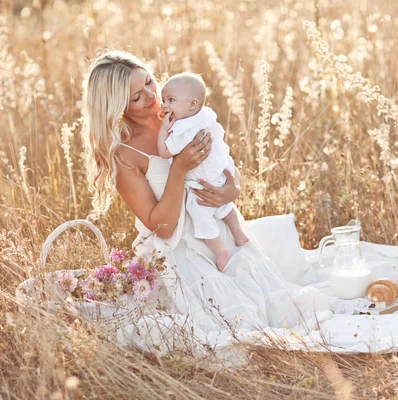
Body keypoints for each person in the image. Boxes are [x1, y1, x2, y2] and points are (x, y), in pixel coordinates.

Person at [81, 50, 330, 354]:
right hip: (179, 251)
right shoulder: (124, 154)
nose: (151, 96)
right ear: (116, 105)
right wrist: (179, 168)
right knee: (228, 326)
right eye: (136, 97)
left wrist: (232, 187)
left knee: (284, 312)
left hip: (218, 231)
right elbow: (162, 226)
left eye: (149, 82)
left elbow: (220, 160)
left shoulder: (181, 110)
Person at [158, 73, 247, 271]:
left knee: (201, 215)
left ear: (192, 104)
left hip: (201, 183)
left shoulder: (182, 129)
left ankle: (219, 250)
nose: (164, 106)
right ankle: (238, 233)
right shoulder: (206, 115)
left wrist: (164, 130)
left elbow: (164, 152)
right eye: (163, 100)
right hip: (222, 171)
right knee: (226, 208)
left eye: (170, 100)